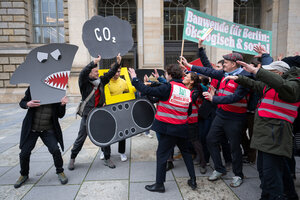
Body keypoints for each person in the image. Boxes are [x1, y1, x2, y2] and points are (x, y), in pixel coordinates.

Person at [225, 60, 300, 200]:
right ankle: (287, 195)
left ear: (279, 73)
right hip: (267, 134)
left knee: (270, 175)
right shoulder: (271, 86)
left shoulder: (293, 85)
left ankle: (274, 196)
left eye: (269, 72)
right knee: (274, 171)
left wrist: (256, 71)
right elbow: (255, 84)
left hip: (275, 135)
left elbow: (285, 88)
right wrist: (240, 78)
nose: (265, 75)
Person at [181, 50, 251, 187]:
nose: (223, 64)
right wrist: (189, 65)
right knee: (210, 140)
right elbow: (209, 70)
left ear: (234, 64)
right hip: (221, 115)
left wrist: (214, 98)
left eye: (225, 62)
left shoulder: (244, 78)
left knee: (235, 147)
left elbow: (235, 97)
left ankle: (238, 175)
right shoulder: (225, 74)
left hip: (235, 118)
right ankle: (219, 169)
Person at [128, 64, 197, 193]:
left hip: (168, 129)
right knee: (186, 153)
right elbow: (187, 111)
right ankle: (193, 180)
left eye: (166, 74)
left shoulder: (168, 87)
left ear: (170, 75)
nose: (166, 76)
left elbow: (146, 90)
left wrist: (134, 78)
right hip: (182, 128)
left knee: (161, 155)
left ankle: (159, 185)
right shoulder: (187, 91)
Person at [68, 54, 121, 170]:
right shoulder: (84, 83)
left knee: (105, 136)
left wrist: (117, 63)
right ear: (90, 73)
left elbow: (110, 73)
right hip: (88, 115)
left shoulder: (101, 81)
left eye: (97, 71)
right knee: (81, 138)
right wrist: (93, 62)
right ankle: (72, 157)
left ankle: (107, 158)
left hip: (99, 114)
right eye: (95, 71)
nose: (98, 73)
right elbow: (82, 73)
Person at [14, 87, 68, 188]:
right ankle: (24, 174)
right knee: (24, 153)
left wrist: (62, 104)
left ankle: (60, 171)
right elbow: (22, 102)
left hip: (47, 129)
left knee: (55, 150)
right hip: (32, 129)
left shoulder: (57, 92)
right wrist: (27, 104)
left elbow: (60, 115)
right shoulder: (34, 88)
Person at [99, 65, 129, 162]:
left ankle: (122, 152)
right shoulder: (105, 82)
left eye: (119, 71)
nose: (117, 73)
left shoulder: (123, 82)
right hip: (108, 110)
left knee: (122, 132)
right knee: (106, 132)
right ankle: (104, 151)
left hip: (120, 110)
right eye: (115, 71)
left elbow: (129, 92)